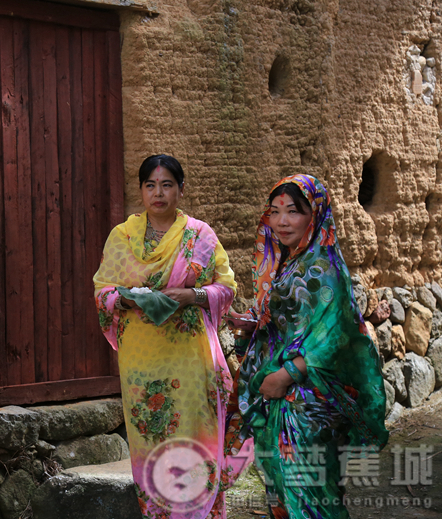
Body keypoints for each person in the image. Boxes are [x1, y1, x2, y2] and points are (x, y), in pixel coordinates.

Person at [94, 154, 250, 519]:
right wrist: (129, 297)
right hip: (142, 362)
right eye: (150, 185)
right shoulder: (122, 236)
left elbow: (226, 287)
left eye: (167, 185)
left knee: (196, 433)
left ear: (181, 189)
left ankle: (202, 512)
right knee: (152, 437)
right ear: (141, 191)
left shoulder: (200, 235)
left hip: (190, 357)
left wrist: (192, 296)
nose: (158, 193)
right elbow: (103, 291)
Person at [226, 174, 389, 519]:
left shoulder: (323, 268)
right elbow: (289, 325)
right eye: (275, 211)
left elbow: (335, 336)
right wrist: (253, 325)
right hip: (276, 399)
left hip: (308, 405)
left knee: (311, 499)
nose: (282, 221)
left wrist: (285, 375)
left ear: (314, 215)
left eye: (294, 212)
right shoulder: (286, 264)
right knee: (283, 495)